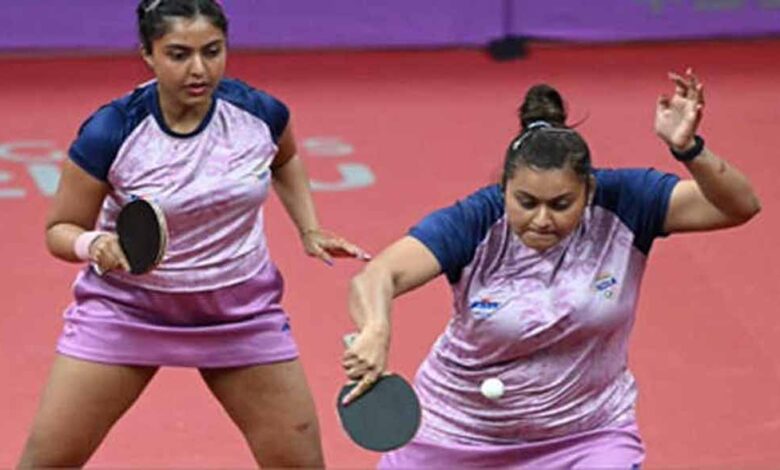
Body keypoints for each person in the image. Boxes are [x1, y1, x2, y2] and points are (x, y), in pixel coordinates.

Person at [341, 69, 760, 467]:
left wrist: (690, 150)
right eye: (526, 203)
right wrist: (376, 328)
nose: (542, 220)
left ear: (588, 189)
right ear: (504, 188)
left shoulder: (626, 203)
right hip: (456, 430)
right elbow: (379, 275)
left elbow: (739, 206)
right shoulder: (475, 221)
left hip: (588, 433)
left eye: (561, 204)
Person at [18, 0, 368, 467]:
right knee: (45, 463)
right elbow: (59, 230)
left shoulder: (259, 113)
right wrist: (95, 243)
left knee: (300, 465)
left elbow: (285, 159)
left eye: (213, 51)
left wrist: (309, 227)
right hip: (128, 310)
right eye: (179, 54)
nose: (199, 69)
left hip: (239, 313)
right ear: (148, 54)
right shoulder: (113, 130)